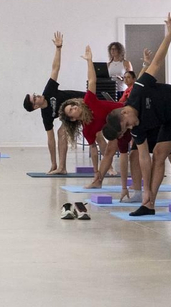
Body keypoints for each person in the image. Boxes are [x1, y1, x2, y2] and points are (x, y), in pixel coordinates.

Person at [101, 13, 171, 216]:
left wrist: (170, 34)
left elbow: (156, 62)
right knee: (157, 156)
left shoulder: (138, 90)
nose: (131, 128)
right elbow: (143, 159)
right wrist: (146, 189)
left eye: (127, 125)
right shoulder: (136, 127)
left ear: (125, 112)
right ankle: (149, 204)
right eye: (127, 130)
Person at [55, 46, 138, 198]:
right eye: (71, 111)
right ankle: (99, 180)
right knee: (110, 152)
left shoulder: (88, 101)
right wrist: (95, 171)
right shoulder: (87, 129)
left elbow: (92, 80)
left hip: (128, 112)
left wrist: (89, 61)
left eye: (73, 106)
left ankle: (133, 183)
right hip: (118, 129)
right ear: (73, 119)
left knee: (133, 151)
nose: (74, 108)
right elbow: (93, 149)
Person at [23, 32, 84, 173]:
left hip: (84, 102)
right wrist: (52, 163)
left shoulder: (48, 91)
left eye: (35, 95)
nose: (37, 95)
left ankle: (109, 167)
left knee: (96, 132)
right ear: (36, 106)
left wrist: (58, 48)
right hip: (74, 114)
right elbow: (50, 140)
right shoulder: (46, 116)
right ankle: (61, 167)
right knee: (61, 132)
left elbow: (55, 68)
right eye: (35, 98)